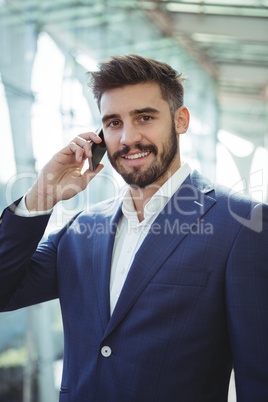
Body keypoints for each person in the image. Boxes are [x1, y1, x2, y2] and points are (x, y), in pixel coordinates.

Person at [0, 54, 267, 402]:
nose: (128, 138)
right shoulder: (82, 229)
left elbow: (258, 376)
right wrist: (42, 194)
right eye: (113, 123)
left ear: (180, 120)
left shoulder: (243, 225)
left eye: (145, 117)